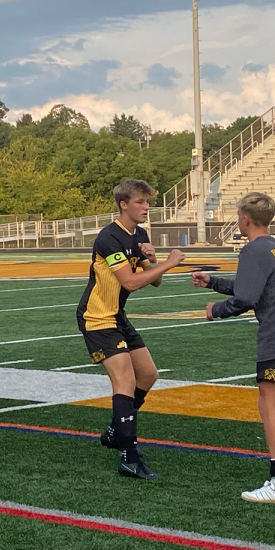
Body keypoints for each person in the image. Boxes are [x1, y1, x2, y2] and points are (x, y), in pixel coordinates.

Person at [193, 192, 275, 503]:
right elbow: (253, 285)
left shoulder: (252, 250)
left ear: (245, 219)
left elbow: (246, 298)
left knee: (270, 404)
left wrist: (216, 310)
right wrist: (213, 281)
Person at [76, 179, 184, 480]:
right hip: (97, 316)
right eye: (140, 201)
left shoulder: (140, 233)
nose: (147, 206)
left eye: (147, 201)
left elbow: (153, 280)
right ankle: (129, 455)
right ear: (123, 204)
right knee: (124, 381)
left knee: (148, 374)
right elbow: (130, 282)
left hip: (116, 315)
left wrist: (153, 260)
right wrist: (170, 263)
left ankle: (116, 430)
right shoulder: (109, 237)